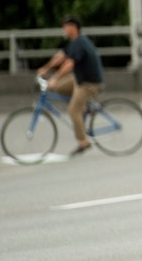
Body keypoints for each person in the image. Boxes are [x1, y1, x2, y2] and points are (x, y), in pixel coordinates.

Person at [36, 15, 104, 156]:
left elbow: (69, 64)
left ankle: (83, 142)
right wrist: (46, 68)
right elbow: (60, 56)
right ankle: (83, 106)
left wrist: (54, 77)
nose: (64, 29)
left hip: (88, 83)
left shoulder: (80, 43)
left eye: (66, 26)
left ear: (73, 28)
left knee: (73, 110)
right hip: (78, 79)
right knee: (57, 87)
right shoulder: (74, 42)